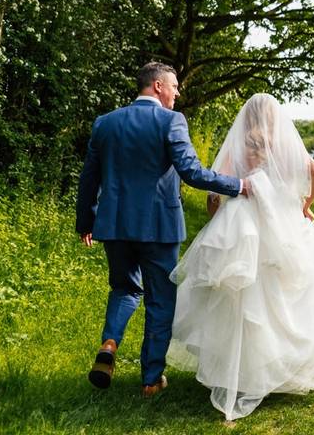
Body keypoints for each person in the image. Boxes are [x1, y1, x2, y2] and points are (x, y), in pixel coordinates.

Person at [167, 93, 314, 421]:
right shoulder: (287, 144)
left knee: (245, 301)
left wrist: (215, 213)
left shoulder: (240, 145)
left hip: (245, 227)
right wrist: (306, 205)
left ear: (247, 117)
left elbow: (216, 191)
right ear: (276, 117)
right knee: (291, 296)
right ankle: (286, 367)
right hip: (287, 224)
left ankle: (243, 372)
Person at [76, 62, 249, 397]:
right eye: (174, 86)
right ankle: (151, 380)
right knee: (159, 300)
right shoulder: (171, 121)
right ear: (157, 86)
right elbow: (192, 172)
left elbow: (89, 178)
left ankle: (109, 346)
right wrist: (237, 185)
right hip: (159, 226)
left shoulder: (105, 123)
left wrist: (87, 221)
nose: (177, 92)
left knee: (124, 289)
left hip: (113, 225)